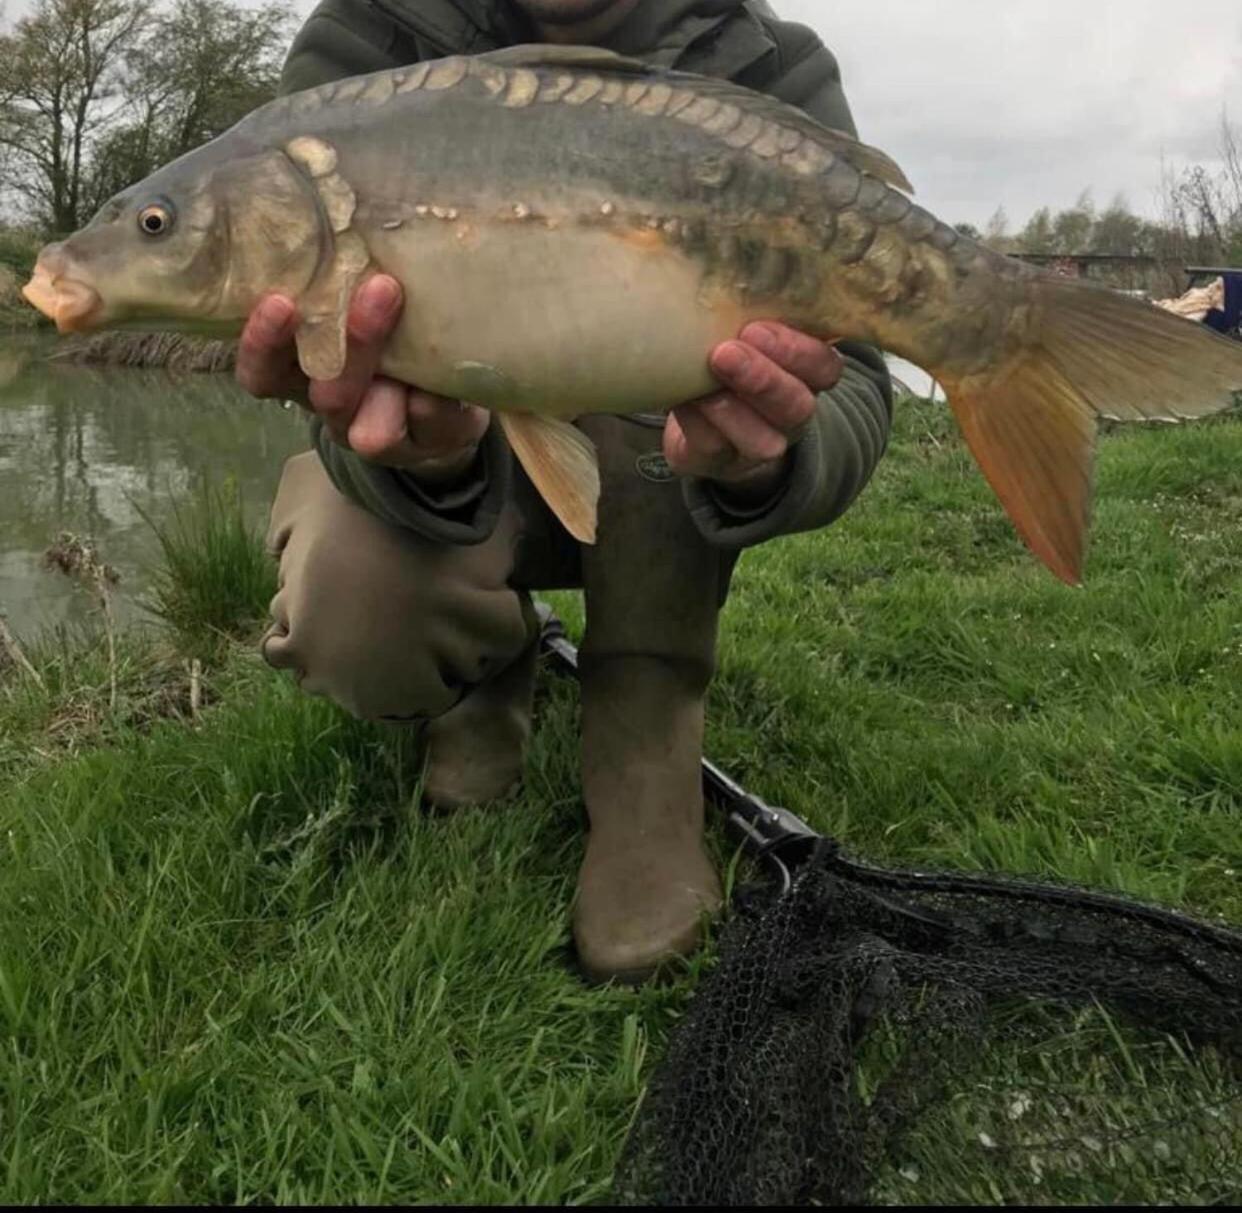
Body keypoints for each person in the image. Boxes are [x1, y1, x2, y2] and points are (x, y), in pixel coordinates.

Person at [235, 0, 894, 984]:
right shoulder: (368, 40)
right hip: (468, 469)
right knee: (350, 602)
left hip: (655, 467)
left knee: (660, 376)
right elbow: (325, 375)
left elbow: (862, 383)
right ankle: (487, 661)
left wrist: (767, 456)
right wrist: (424, 456)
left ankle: (648, 723)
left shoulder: (766, 62)